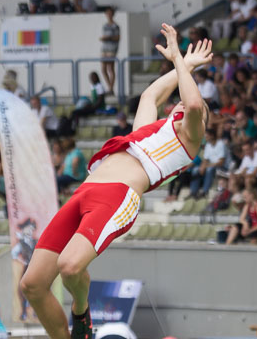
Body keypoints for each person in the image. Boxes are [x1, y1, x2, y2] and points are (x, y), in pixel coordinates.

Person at [19, 28, 212, 339]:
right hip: (85, 191)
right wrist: (186, 66)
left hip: (117, 197)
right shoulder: (147, 133)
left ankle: (81, 312)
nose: (183, 104)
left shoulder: (187, 139)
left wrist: (178, 59)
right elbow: (150, 96)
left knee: (70, 267)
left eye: (200, 109)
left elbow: (192, 105)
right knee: (32, 285)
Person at [188, 129, 226, 198]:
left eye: (207, 136)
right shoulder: (208, 145)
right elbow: (205, 159)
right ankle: (193, 192)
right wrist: (202, 167)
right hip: (211, 165)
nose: (205, 138)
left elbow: (221, 161)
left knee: (209, 169)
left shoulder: (221, 144)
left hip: (222, 166)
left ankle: (205, 191)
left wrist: (206, 166)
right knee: (196, 169)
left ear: (212, 136)